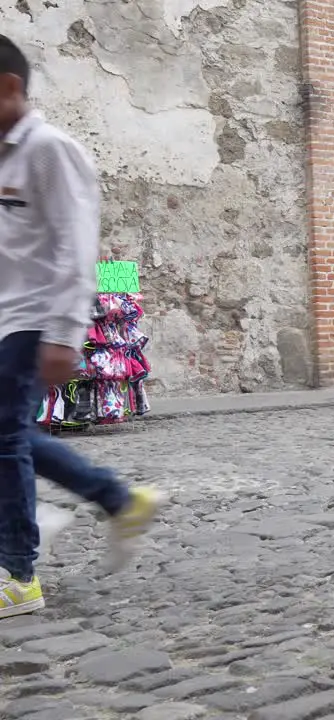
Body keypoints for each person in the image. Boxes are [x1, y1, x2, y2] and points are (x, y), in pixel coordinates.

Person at [0, 35, 163, 619]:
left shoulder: (48, 150)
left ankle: (18, 572)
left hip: (35, 319)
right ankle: (118, 499)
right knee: (10, 435)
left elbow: (75, 246)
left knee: (5, 438)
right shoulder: (3, 156)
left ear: (10, 87)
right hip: (7, 317)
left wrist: (67, 334)